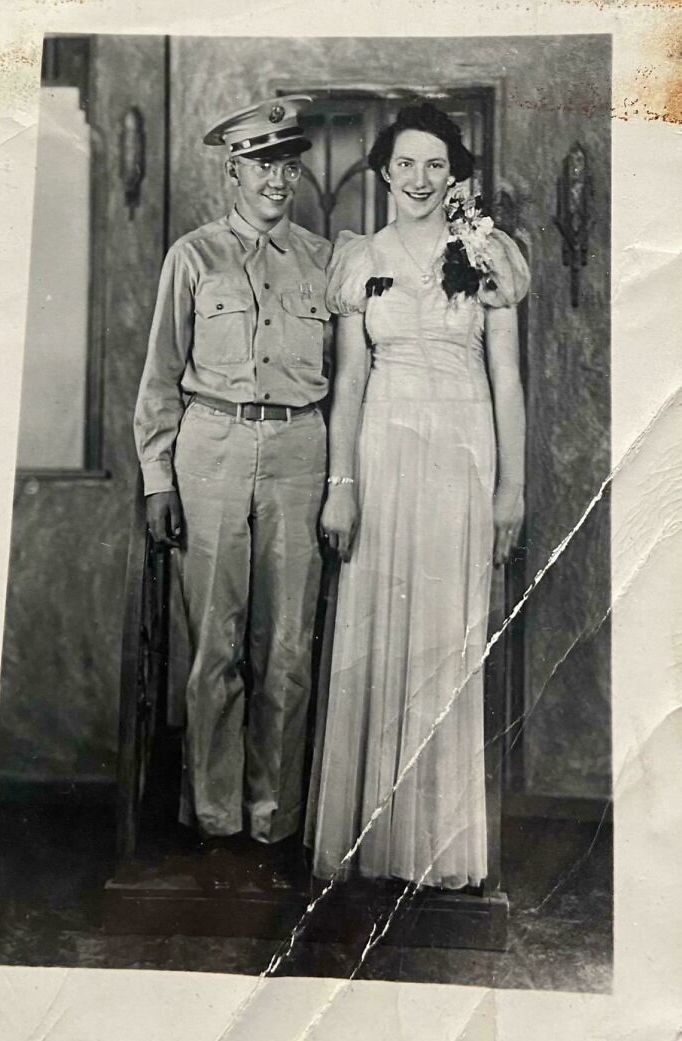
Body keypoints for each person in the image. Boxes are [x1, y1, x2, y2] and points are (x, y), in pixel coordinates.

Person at [306, 103, 530, 888]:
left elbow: (506, 377)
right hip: (384, 448)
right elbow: (348, 382)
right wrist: (341, 488)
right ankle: (373, 841)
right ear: (383, 172)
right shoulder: (359, 257)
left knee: (447, 635)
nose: (420, 179)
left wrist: (512, 487)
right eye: (406, 164)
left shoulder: (488, 254)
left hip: (462, 451)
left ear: (456, 174)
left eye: (436, 164)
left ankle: (437, 843)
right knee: (379, 629)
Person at [133, 95, 332, 849]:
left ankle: (272, 816)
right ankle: (215, 815)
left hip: (297, 450)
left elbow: (345, 380)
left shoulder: (324, 259)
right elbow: (159, 378)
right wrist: (158, 479)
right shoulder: (192, 257)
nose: (276, 180)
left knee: (285, 646)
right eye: (259, 164)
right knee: (214, 641)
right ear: (232, 171)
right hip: (210, 445)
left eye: (287, 164)